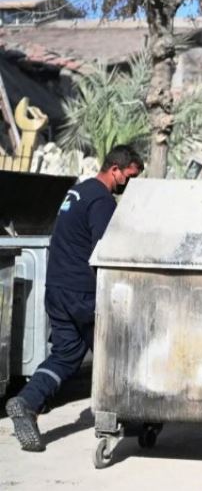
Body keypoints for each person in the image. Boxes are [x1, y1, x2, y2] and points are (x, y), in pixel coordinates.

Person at [6, 145, 143, 452]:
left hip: (57, 289)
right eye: (129, 178)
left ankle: (27, 402)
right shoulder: (101, 200)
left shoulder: (79, 192)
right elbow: (106, 249)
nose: (128, 185)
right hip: (83, 292)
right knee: (117, 351)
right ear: (116, 170)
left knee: (66, 353)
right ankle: (131, 415)